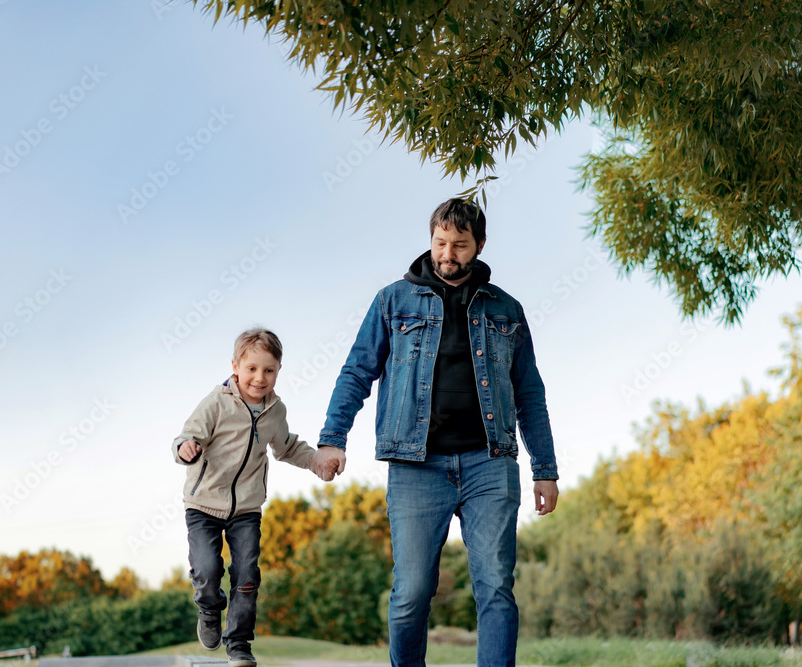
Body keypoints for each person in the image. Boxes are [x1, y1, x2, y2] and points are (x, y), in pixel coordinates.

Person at [311, 198, 560, 667]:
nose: (449, 253)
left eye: (460, 245)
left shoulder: (506, 309)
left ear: (480, 246)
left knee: (496, 589)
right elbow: (356, 372)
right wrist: (332, 438)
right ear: (430, 240)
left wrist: (544, 469)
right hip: (416, 466)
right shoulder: (393, 301)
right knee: (410, 596)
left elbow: (529, 392)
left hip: (491, 463)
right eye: (441, 242)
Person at [173, 328, 328, 667]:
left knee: (246, 575)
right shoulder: (216, 403)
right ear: (235, 367)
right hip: (203, 505)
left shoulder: (275, 410)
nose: (260, 378)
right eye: (252, 369)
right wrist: (186, 449)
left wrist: (315, 459)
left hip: (246, 509)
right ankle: (210, 609)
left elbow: (286, 447)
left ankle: (239, 644)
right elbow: (187, 436)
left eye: (269, 370)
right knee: (207, 569)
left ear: (278, 371)